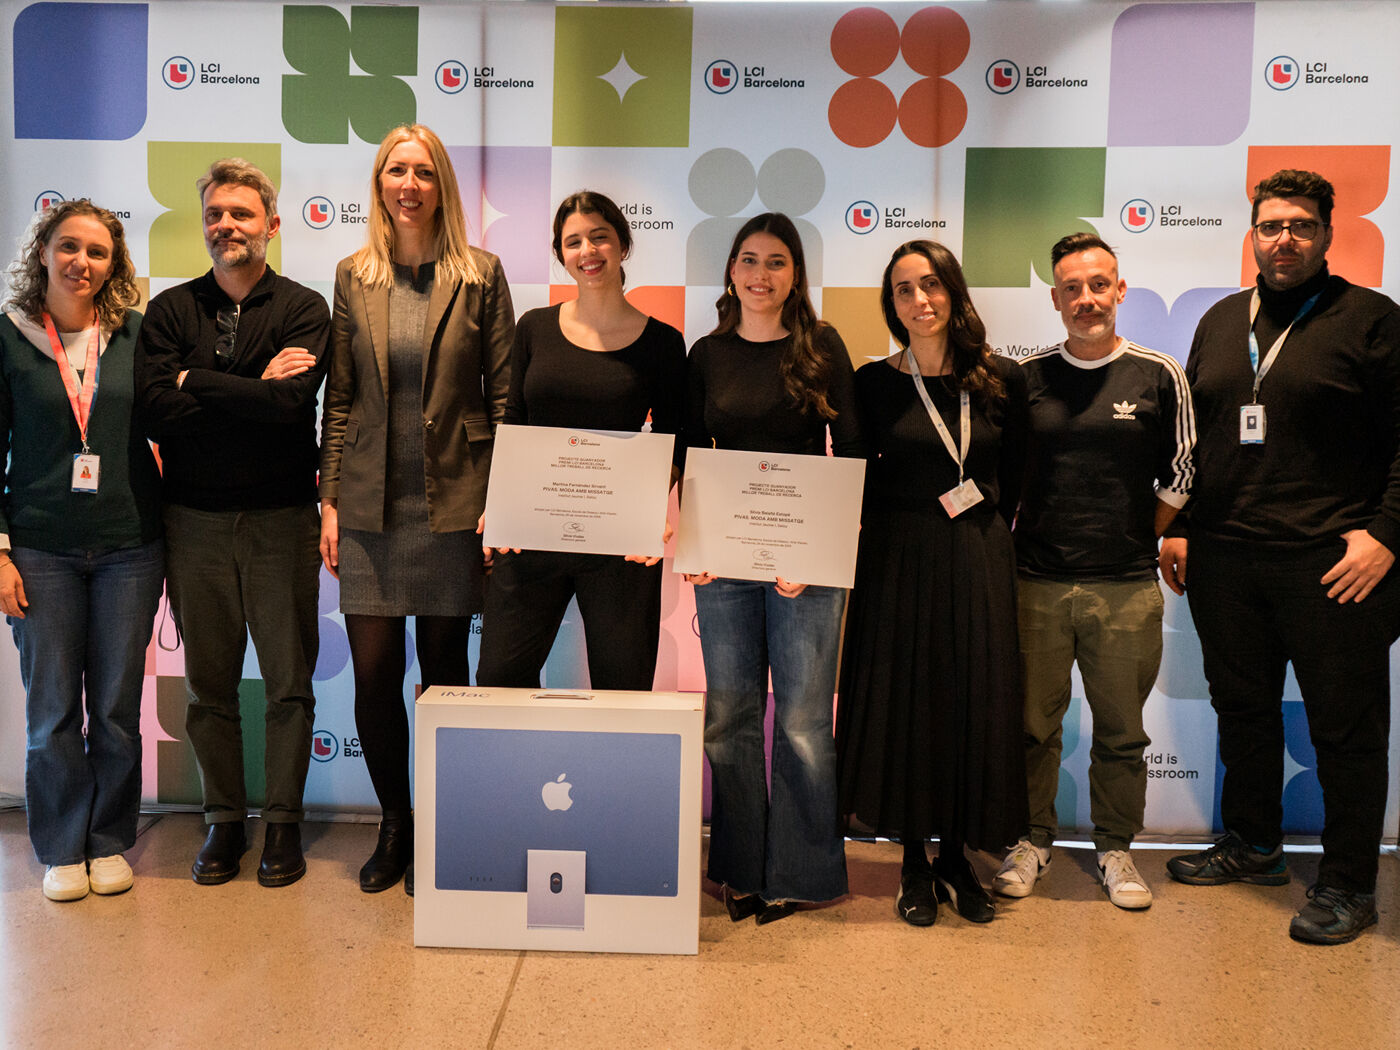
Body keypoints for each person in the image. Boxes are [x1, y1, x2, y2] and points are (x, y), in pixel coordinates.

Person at [1160, 169, 1400, 945]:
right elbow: (1197, 437)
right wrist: (1182, 523)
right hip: (1226, 559)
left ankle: (1349, 884)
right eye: (1271, 226)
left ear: (1327, 234)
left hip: (1333, 564)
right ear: (1253, 235)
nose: (1284, 239)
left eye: (1301, 226)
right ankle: (1255, 844)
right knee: (1245, 712)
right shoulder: (1220, 320)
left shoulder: (1372, 320)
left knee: (1346, 731)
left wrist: (1387, 535)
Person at [319, 124, 514, 896]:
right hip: (370, 506)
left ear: (442, 187)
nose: (409, 185)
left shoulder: (480, 274)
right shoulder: (353, 275)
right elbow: (340, 399)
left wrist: (502, 501)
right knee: (373, 678)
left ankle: (443, 823)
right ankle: (394, 823)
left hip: (455, 502)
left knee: (443, 675)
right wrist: (330, 500)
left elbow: (503, 398)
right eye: (396, 170)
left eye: (423, 172)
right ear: (380, 183)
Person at [136, 159, 329, 888]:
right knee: (208, 686)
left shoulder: (305, 307)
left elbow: (291, 408)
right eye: (215, 214)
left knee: (289, 683)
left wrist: (197, 382)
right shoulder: (170, 310)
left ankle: (282, 822)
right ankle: (224, 819)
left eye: (241, 214)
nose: (226, 226)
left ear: (271, 225)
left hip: (283, 520)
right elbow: (157, 411)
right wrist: (250, 388)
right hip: (193, 523)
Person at [992, 233, 1195, 910]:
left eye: (1098, 285)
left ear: (1120, 290)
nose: (1087, 299)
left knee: (1121, 733)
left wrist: (1141, 533)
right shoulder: (1025, 379)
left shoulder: (1158, 374)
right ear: (1055, 299)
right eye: (1072, 289)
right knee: (1031, 728)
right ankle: (1031, 840)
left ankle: (1115, 848)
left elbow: (1184, 471)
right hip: (1035, 583)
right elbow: (1002, 474)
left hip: (1126, 588)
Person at [836, 240, 1029, 927]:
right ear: (891, 304)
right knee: (907, 704)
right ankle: (914, 861)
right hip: (896, 558)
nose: (920, 300)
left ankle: (956, 858)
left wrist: (984, 533)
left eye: (931, 284)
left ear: (954, 291)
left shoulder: (1003, 379)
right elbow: (854, 476)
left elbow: (1017, 477)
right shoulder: (872, 383)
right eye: (903, 289)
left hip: (977, 556)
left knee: (971, 701)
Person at [684, 213, 861, 925]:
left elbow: (852, 452)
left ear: (796, 274)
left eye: (777, 261)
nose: (762, 275)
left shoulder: (822, 347)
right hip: (724, 563)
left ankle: (800, 873)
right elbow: (690, 454)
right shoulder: (707, 353)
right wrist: (695, 545)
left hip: (807, 563)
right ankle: (740, 869)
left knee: (804, 722)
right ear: (732, 271)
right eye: (750, 260)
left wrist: (816, 552)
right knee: (729, 717)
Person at [1, 201, 164, 902]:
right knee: (54, 711)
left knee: (118, 709)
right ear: (42, 251)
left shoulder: (133, 335)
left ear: (113, 265)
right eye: (69, 246)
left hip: (131, 546)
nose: (82, 263)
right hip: (40, 548)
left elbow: (178, 415)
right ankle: (62, 846)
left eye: (98, 252)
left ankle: (107, 841)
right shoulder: (8, 337)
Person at [476, 191, 684, 690]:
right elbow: (514, 421)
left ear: (622, 245)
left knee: (624, 689)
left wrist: (651, 508)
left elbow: (676, 439)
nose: (587, 251)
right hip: (531, 532)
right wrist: (499, 505)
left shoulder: (662, 342)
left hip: (621, 542)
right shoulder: (534, 328)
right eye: (573, 242)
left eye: (599, 237)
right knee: (500, 680)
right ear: (561, 254)